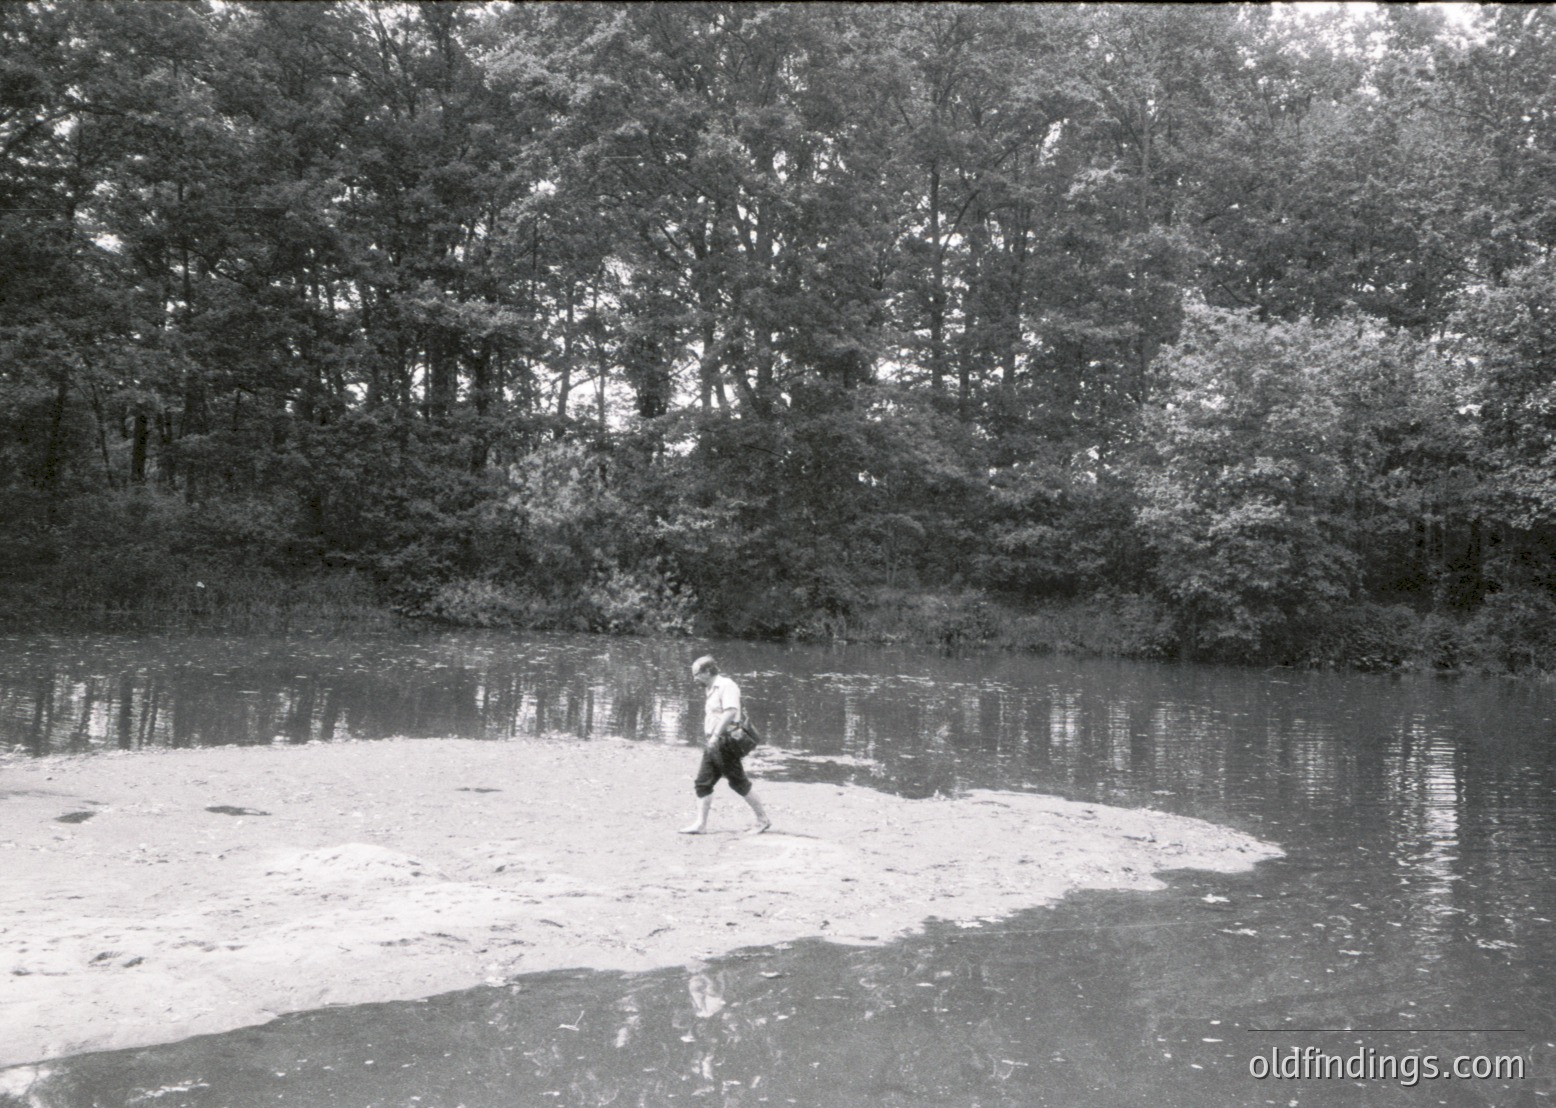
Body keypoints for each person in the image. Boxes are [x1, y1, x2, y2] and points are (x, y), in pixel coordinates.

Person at [679, 655, 770, 834]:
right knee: (702, 783)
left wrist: (715, 735)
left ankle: (763, 819)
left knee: (738, 782)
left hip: (725, 741)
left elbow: (730, 712)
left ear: (707, 672)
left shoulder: (727, 686)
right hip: (715, 741)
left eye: (696, 674)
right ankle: (701, 824)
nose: (694, 678)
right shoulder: (711, 688)